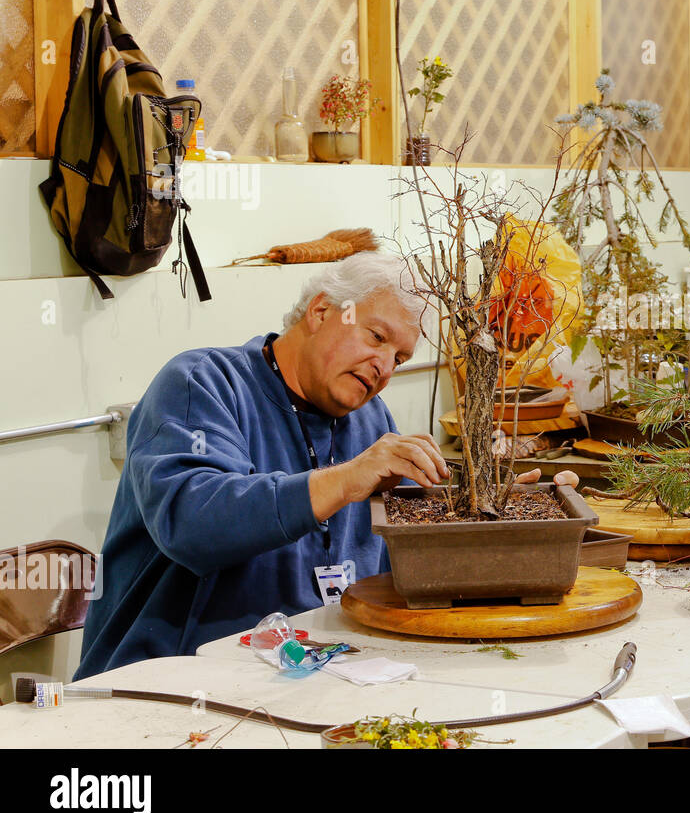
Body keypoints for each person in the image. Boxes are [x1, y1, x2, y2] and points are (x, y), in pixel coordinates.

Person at [74, 252, 554, 678]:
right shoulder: (202, 384)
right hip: (168, 684)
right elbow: (192, 523)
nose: (385, 366)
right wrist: (345, 481)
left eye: (400, 356)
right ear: (321, 310)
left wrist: (502, 522)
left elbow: (402, 566)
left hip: (311, 676)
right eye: (376, 336)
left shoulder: (370, 421)